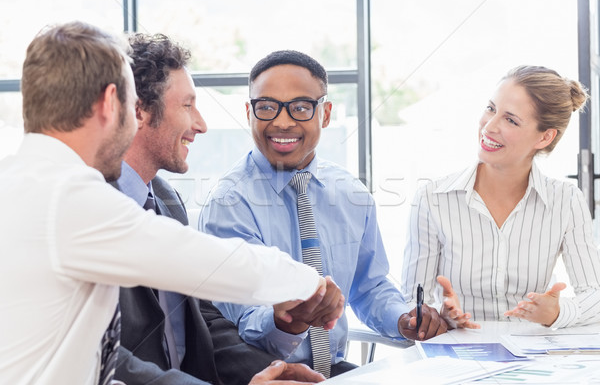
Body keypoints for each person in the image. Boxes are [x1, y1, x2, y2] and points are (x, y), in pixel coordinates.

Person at [0, 22, 330, 385]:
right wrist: (310, 283)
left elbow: (92, 359)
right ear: (114, 102)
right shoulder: (67, 195)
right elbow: (219, 265)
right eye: (130, 102)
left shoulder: (23, 181)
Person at [199, 50, 454, 378]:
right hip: (263, 373)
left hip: (337, 371)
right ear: (249, 112)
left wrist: (403, 319)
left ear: (326, 113)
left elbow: (370, 286)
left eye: (301, 107)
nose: (282, 121)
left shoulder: (351, 194)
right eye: (266, 107)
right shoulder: (228, 204)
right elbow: (244, 318)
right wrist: (289, 319)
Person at [112, 32, 328, 385]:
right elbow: (99, 354)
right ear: (139, 110)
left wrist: (267, 372)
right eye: (187, 105)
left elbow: (200, 319)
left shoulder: (166, 199)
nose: (201, 124)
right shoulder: (87, 209)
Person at [401, 65, 600, 329]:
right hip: (457, 356)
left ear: (545, 136)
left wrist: (557, 312)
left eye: (511, 120)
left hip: (533, 357)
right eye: (491, 109)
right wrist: (438, 316)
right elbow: (411, 300)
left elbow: (594, 297)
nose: (489, 126)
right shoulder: (432, 198)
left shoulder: (565, 200)